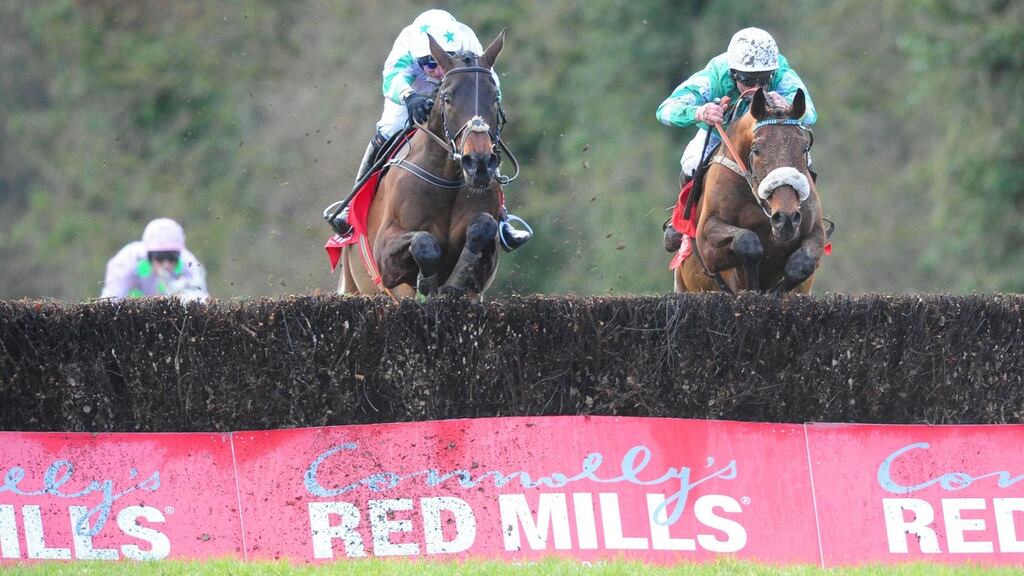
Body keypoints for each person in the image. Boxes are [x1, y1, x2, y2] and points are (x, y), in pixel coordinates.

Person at [324, 9, 532, 252]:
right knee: (388, 130)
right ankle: (350, 206)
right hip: (414, 89)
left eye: (445, 59)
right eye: (430, 63)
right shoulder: (407, 43)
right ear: (418, 57)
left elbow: (491, 81)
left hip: (459, 90)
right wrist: (409, 97)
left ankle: (502, 218)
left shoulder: (467, 40)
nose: (438, 70)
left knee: (482, 138)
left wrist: (486, 107)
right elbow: (391, 78)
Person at [656, 27, 817, 251]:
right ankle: (683, 220)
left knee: (804, 161)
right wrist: (699, 112)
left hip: (770, 139)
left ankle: (810, 221)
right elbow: (665, 110)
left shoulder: (782, 73)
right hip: (721, 135)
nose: (756, 87)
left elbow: (810, 113)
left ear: (772, 72)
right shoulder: (713, 77)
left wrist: (788, 104)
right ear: (733, 73)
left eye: (763, 79)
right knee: (692, 163)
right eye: (747, 79)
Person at [100, 218, 209, 301]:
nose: (166, 264)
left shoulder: (188, 263)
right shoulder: (127, 261)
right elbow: (111, 299)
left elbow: (201, 299)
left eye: (172, 257)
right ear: (148, 254)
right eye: (159, 257)